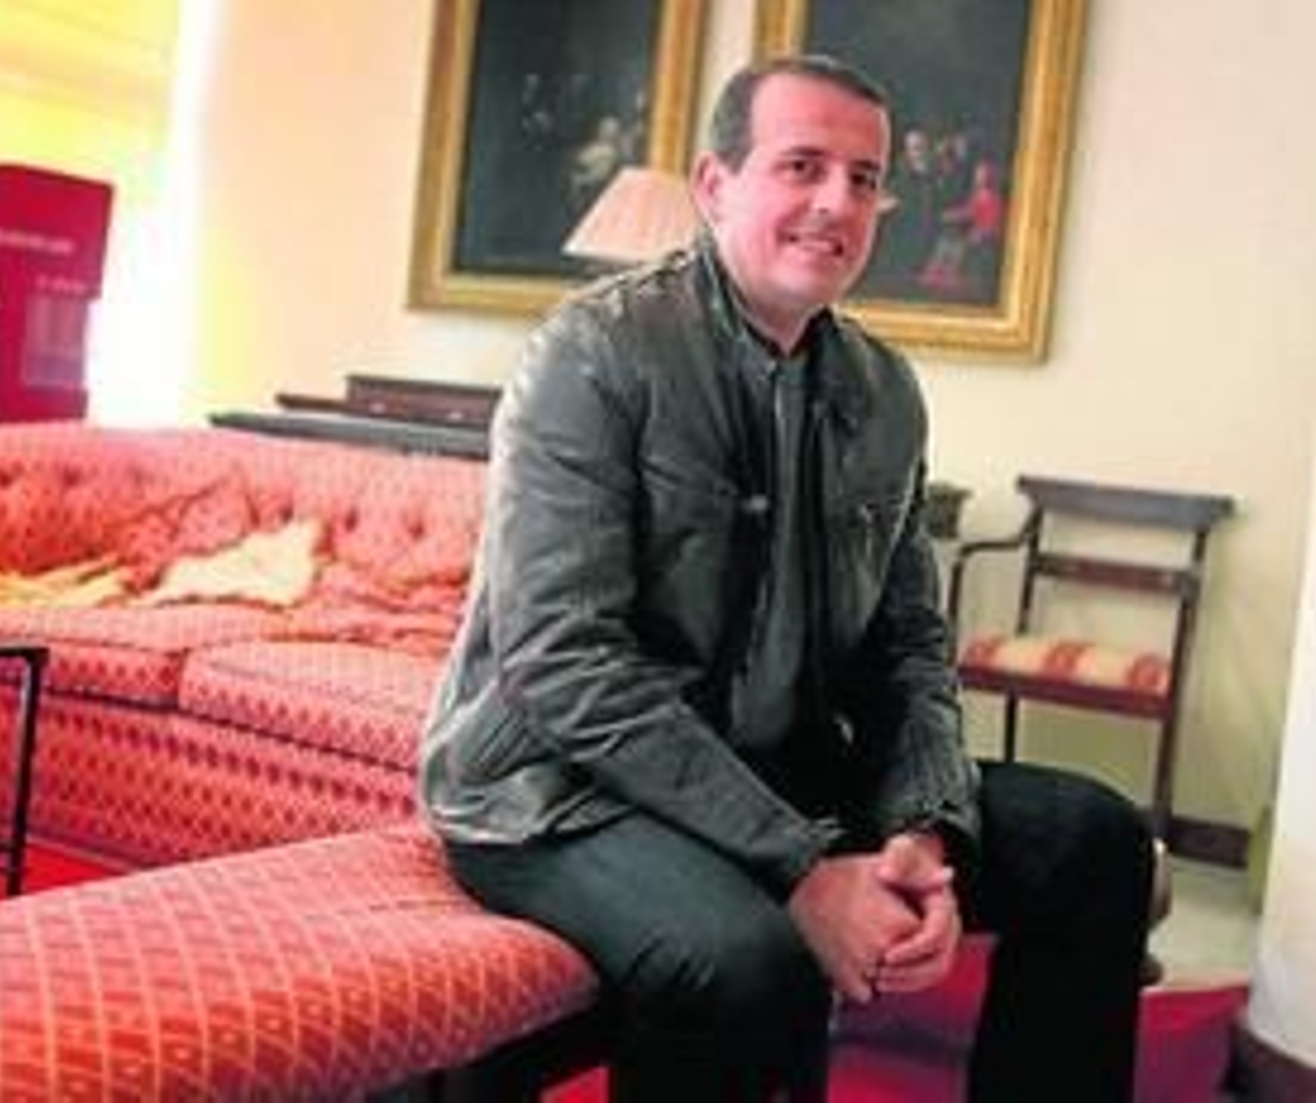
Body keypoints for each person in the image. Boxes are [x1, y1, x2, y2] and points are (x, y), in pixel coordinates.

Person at [418, 54, 1153, 1102]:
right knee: (747, 958)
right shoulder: (592, 353)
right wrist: (803, 867)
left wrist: (924, 828)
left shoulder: (883, 390)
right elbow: (562, 662)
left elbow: (909, 651)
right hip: (558, 790)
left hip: (776, 772)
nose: (836, 203)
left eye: (865, 179)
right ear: (715, 185)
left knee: (1095, 839)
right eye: (802, 165)